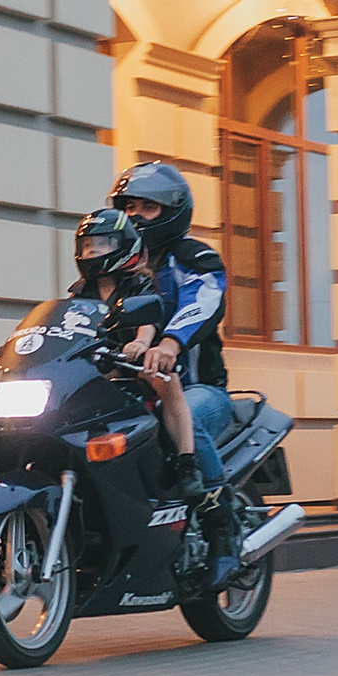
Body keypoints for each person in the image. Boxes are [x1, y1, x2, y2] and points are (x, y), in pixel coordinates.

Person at [108, 162, 243, 587]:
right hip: (131, 389)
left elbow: (202, 300)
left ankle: (221, 527)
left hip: (200, 389)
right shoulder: (115, 263)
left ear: (172, 211)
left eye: (147, 207)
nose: (134, 216)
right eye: (128, 207)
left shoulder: (193, 257)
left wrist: (169, 344)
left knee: (177, 420)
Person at [69, 208, 201, 492]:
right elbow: (66, 322)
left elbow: (148, 319)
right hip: (98, 363)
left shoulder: (138, 282)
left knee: (167, 380)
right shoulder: (80, 290)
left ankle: (187, 462)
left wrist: (141, 342)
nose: (93, 251)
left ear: (123, 244)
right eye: (88, 245)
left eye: (102, 244)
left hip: (135, 362)